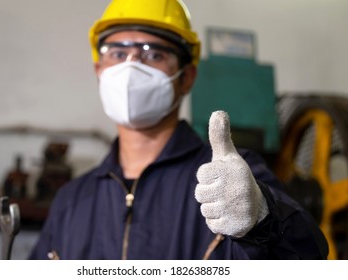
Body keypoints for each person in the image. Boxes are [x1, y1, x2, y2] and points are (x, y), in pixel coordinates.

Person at [29, 0, 328, 260]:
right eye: (117, 53)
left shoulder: (231, 183)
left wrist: (263, 217)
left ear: (186, 77)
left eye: (153, 54)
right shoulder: (72, 201)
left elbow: (308, 259)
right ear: (99, 72)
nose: (131, 68)